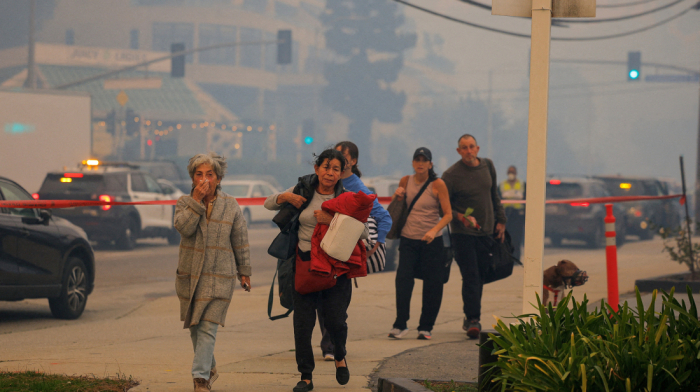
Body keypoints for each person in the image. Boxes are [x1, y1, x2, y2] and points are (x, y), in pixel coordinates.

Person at [264, 148, 368, 392]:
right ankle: (306, 376)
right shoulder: (302, 189)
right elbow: (269, 203)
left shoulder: (349, 197)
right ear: (316, 169)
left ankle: (340, 355)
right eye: (325, 167)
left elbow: (363, 232)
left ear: (342, 173)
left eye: (335, 169)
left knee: (335, 321)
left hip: (335, 269)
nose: (330, 173)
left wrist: (332, 220)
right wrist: (286, 198)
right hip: (305, 265)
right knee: (302, 324)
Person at [305, 141, 392, 361]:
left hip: (340, 255)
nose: (337, 159)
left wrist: (375, 244)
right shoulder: (322, 183)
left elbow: (384, 216)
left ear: (352, 161)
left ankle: (332, 345)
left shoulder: (356, 187)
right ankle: (330, 345)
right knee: (321, 301)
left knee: (334, 304)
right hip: (319, 252)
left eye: (343, 156)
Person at [174, 152, 252, 392]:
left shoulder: (231, 205)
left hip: (220, 276)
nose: (204, 179)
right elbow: (183, 228)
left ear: (219, 179)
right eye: (199, 175)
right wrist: (197, 203)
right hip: (191, 275)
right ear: (192, 178)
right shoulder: (184, 203)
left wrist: (244, 271)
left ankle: (200, 379)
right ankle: (209, 366)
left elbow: (240, 238)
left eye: (210, 174)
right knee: (195, 328)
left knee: (208, 326)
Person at [442, 134, 507, 340]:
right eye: (464, 148)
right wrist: (459, 216)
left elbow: (494, 194)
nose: (468, 151)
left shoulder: (488, 166)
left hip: (487, 231)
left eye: (471, 147)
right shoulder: (451, 175)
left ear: (477, 148)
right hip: (463, 235)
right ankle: (472, 319)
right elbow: (443, 206)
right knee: (471, 276)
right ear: (458, 151)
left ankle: (471, 316)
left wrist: (501, 220)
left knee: (481, 275)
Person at [388, 147, 454, 341]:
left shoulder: (437, 184)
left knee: (433, 285)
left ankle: (426, 327)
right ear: (413, 163)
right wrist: (397, 196)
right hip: (408, 239)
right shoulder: (405, 181)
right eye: (417, 159)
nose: (420, 163)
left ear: (430, 164)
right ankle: (400, 324)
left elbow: (448, 214)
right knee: (403, 281)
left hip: (432, 242)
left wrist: (434, 230)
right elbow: (395, 207)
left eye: (424, 160)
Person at [499, 165, 525, 261]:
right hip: (506, 215)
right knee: (505, 238)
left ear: (516, 173)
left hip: (518, 215)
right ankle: (506, 258)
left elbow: (526, 199)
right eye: (510, 172)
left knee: (517, 238)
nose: (511, 174)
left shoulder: (522, 184)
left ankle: (516, 258)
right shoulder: (502, 184)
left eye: (513, 172)